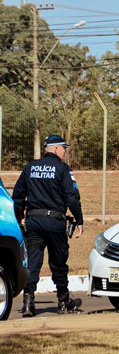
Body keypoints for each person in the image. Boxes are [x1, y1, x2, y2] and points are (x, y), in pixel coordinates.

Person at [12, 135, 84, 316]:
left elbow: (18, 196)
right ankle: (63, 301)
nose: (65, 152)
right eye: (64, 149)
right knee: (58, 262)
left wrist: (19, 218)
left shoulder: (30, 167)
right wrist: (79, 220)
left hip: (34, 222)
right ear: (56, 149)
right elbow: (72, 197)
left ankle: (28, 302)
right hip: (54, 223)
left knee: (33, 263)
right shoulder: (62, 169)